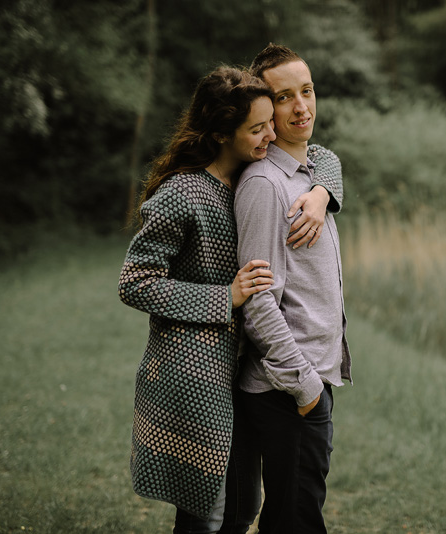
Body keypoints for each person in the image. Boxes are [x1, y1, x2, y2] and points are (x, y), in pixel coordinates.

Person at [118, 65, 344, 534]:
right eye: (258, 128)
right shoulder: (184, 192)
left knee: (243, 506)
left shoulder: (248, 175)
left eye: (270, 123)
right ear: (223, 133)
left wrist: (322, 191)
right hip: (194, 374)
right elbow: (135, 281)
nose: (271, 134)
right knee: (208, 510)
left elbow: (321, 155)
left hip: (237, 370)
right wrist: (225, 297)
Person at [232, 43, 352, 533]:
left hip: (306, 382)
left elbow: (326, 156)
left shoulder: (310, 173)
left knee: (295, 514)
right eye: (285, 98)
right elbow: (259, 300)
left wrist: (323, 192)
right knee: (295, 521)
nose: (301, 106)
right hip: (288, 388)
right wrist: (305, 389)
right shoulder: (265, 184)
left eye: (307, 91)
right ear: (266, 109)